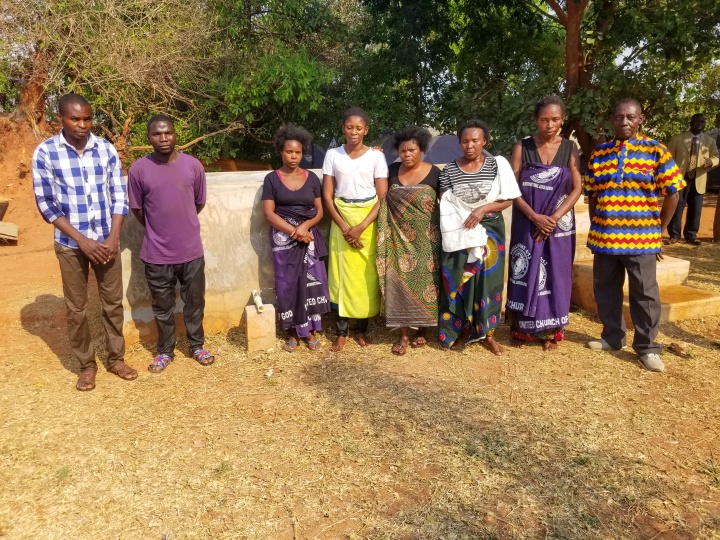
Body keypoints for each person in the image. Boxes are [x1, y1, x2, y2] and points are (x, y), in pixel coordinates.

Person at [32, 93, 138, 391]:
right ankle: (87, 365)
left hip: (107, 240)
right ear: (60, 119)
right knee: (76, 308)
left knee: (113, 304)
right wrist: (82, 241)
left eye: (87, 118)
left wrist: (113, 236)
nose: (82, 124)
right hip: (70, 244)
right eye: (74, 119)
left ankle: (116, 359)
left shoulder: (105, 150)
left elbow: (119, 195)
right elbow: (47, 205)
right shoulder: (46, 153)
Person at [584, 99, 684, 372]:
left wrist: (660, 230)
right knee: (605, 290)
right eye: (618, 117)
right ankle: (612, 337)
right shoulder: (600, 154)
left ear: (640, 119)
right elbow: (592, 194)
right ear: (612, 120)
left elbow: (673, 193)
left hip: (641, 239)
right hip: (605, 238)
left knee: (645, 295)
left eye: (630, 117)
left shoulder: (655, 151)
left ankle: (647, 348)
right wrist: (597, 223)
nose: (624, 122)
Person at [128, 115, 215, 372]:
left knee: (195, 301)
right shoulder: (138, 170)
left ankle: (197, 346)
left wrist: (181, 225)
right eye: (157, 134)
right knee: (162, 306)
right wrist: (158, 228)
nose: (163, 138)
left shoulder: (193, 166)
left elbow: (198, 202)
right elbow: (137, 209)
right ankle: (165, 351)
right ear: (149, 137)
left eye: (168, 133)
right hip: (156, 254)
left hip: (191, 251)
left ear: (176, 135)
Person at [437, 120, 521, 355]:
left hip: (491, 231)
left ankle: (487, 334)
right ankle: (461, 331)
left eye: (475, 140)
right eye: (465, 141)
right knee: (459, 280)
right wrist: (467, 215)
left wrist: (481, 209)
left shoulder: (497, 165)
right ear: (459, 143)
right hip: (460, 229)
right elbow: (446, 203)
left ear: (484, 141)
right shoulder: (449, 170)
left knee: (487, 282)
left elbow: (508, 199)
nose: (470, 145)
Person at [506, 95, 583, 350]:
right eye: (544, 119)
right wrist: (535, 217)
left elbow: (576, 187)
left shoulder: (570, 148)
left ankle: (552, 331)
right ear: (535, 120)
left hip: (558, 226)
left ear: (562, 120)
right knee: (526, 271)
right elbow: (512, 188)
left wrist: (554, 218)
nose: (550, 125)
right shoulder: (522, 147)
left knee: (556, 274)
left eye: (555, 120)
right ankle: (524, 331)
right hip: (528, 221)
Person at [322, 107, 389, 352]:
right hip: (341, 216)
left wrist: (360, 227)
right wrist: (344, 227)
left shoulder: (376, 157)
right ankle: (341, 331)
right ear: (343, 128)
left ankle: (361, 329)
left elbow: (383, 197)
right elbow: (327, 196)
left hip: (368, 219)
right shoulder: (332, 155)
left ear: (366, 130)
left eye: (359, 128)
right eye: (349, 127)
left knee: (365, 276)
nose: (354, 132)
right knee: (341, 274)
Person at [262, 124, 330, 351]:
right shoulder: (272, 179)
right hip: (284, 241)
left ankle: (311, 331)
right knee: (288, 284)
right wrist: (294, 232)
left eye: (298, 152)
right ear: (281, 151)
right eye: (289, 151)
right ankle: (291, 331)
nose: (294, 156)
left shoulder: (312, 178)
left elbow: (319, 211)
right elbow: (269, 213)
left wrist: (305, 228)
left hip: (308, 237)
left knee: (311, 284)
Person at [376, 126, 441, 355]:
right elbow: (382, 199)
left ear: (421, 149)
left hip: (427, 241)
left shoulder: (435, 173)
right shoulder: (392, 170)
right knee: (399, 284)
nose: (407, 154)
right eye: (403, 151)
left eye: (411, 150)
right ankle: (403, 335)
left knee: (427, 284)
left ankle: (423, 330)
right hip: (398, 239)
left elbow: (445, 205)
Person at [666, 113, 719, 245]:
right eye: (697, 122)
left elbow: (717, 156)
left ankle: (691, 235)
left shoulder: (709, 141)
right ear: (691, 123)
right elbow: (668, 159)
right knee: (677, 207)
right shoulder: (677, 139)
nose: (700, 124)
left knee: (696, 209)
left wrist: (711, 162)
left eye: (703, 122)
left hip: (699, 178)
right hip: (681, 179)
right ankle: (674, 235)